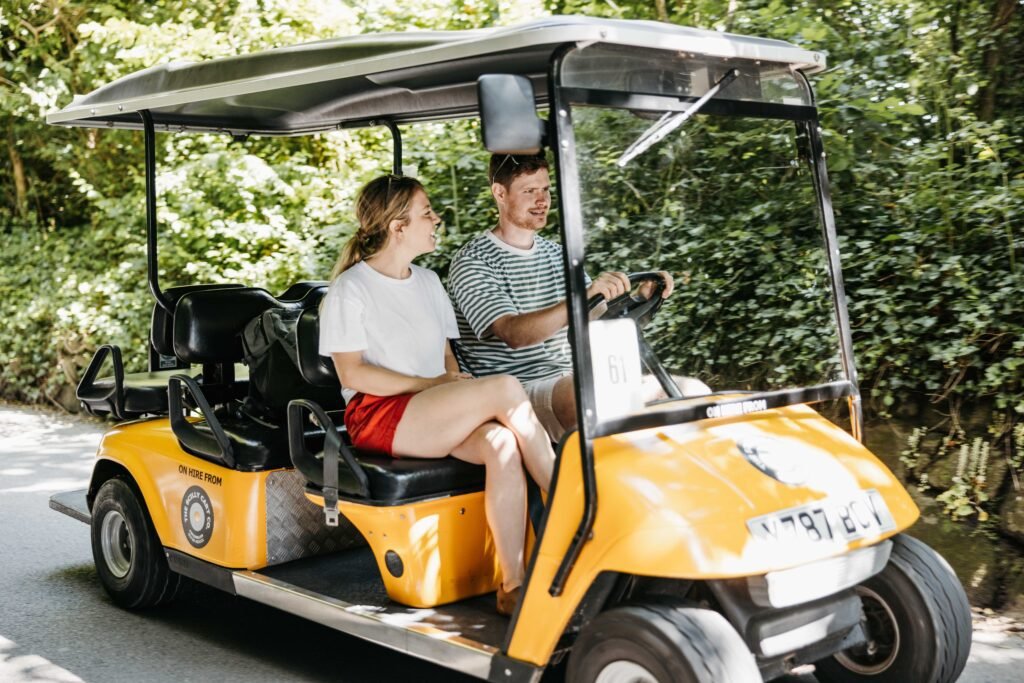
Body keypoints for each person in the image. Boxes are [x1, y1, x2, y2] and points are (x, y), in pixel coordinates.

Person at [318, 174, 555, 616]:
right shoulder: (351, 289)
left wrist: (448, 382)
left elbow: (446, 357)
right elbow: (353, 373)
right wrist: (432, 385)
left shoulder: (429, 282)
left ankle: (513, 584)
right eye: (427, 213)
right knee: (505, 386)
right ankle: (567, 504)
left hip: (428, 409)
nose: (436, 219)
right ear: (398, 227)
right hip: (378, 413)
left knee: (501, 443)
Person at [448, 154, 709, 442]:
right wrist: (581, 299)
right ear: (500, 193)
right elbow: (514, 333)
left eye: (546, 189)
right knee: (596, 398)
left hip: (571, 380)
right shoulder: (473, 262)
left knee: (694, 392)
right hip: (514, 392)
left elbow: (594, 317)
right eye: (530, 191)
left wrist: (638, 300)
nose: (542, 200)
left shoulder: (557, 254)